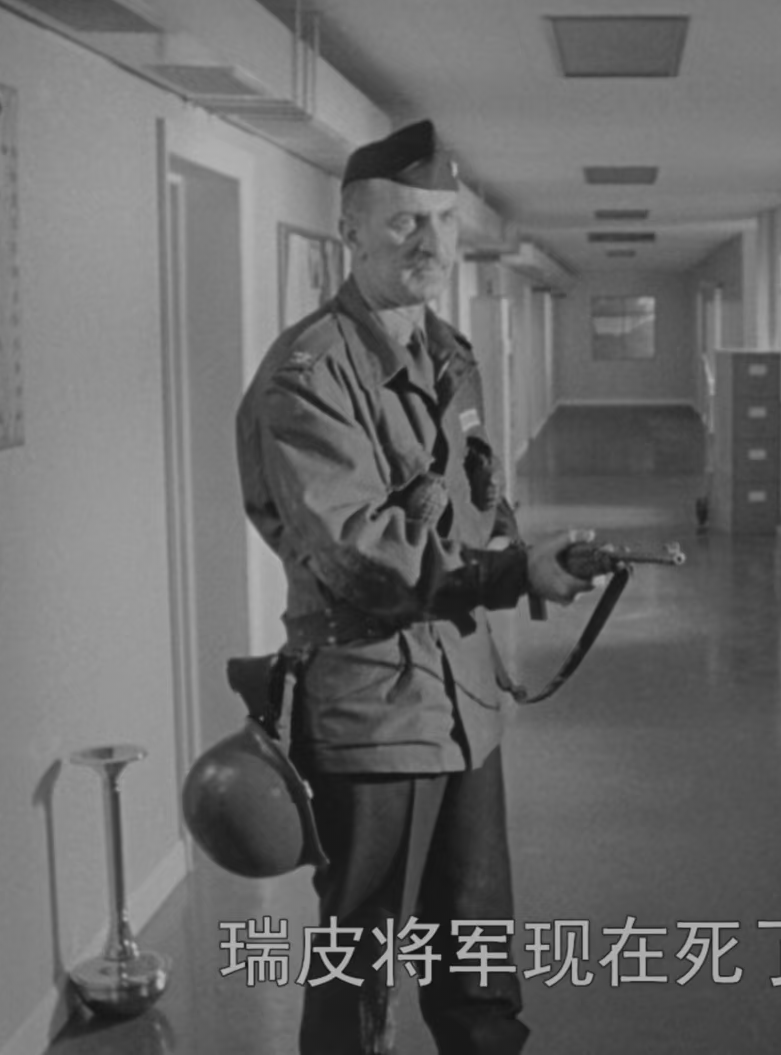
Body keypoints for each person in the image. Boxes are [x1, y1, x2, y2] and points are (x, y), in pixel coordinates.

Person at [237, 119, 594, 1055]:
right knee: (360, 975)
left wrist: (523, 550)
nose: (429, 243)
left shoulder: (448, 353)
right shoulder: (308, 377)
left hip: (464, 701)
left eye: (442, 221)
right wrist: (506, 573)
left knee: (479, 962)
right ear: (350, 231)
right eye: (404, 222)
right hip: (372, 711)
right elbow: (357, 552)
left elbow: (477, 501)